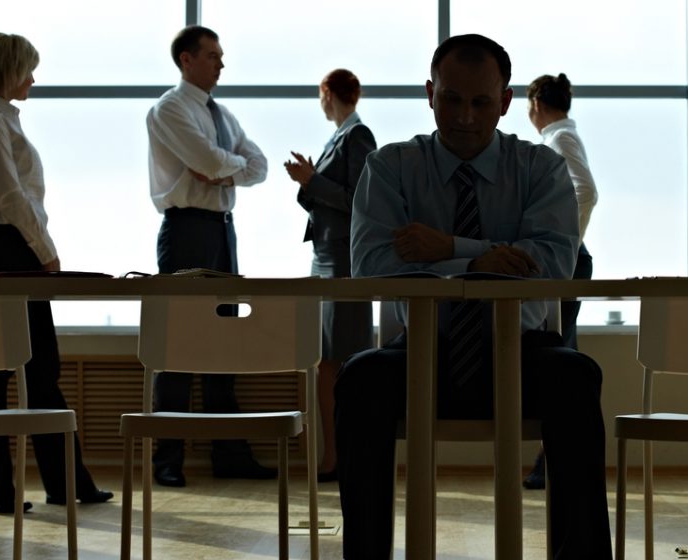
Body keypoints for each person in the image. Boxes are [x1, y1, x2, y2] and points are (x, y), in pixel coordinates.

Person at [336, 34, 613, 558]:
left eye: (481, 102)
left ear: (506, 102)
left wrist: (446, 248)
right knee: (358, 380)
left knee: (577, 377)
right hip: (421, 348)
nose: (464, 116)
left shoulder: (540, 168)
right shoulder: (391, 167)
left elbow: (552, 264)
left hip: (524, 349)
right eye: (451, 99)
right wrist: (482, 261)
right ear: (430, 94)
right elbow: (372, 267)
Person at [0, 32, 112, 511]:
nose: (33, 78)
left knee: (24, 369)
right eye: (27, 68)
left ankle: (39, 486)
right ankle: (24, 488)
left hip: (9, 248)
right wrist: (46, 253)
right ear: (7, 69)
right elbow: (10, 198)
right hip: (9, 250)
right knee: (16, 370)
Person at [146, 25, 273, 487]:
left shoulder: (222, 114)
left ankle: (229, 454)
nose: (222, 63)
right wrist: (225, 168)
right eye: (213, 55)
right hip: (186, 232)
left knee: (225, 345)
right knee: (178, 346)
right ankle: (168, 459)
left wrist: (226, 170)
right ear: (186, 60)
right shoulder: (169, 109)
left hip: (222, 233)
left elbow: (259, 167)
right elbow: (212, 164)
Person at [284, 69, 377, 482]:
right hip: (326, 257)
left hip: (340, 261)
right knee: (327, 362)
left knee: (337, 363)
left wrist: (312, 180)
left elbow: (360, 199)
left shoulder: (357, 136)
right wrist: (310, 184)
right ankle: (336, 455)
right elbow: (329, 202)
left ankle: (339, 456)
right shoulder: (340, 136)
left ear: (327, 93)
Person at [521, 72, 599, 490]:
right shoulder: (562, 136)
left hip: (568, 260)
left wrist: (565, 243)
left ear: (535, 104)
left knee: (558, 355)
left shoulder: (559, 140)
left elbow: (586, 191)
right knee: (563, 352)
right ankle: (551, 460)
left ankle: (553, 460)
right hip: (570, 258)